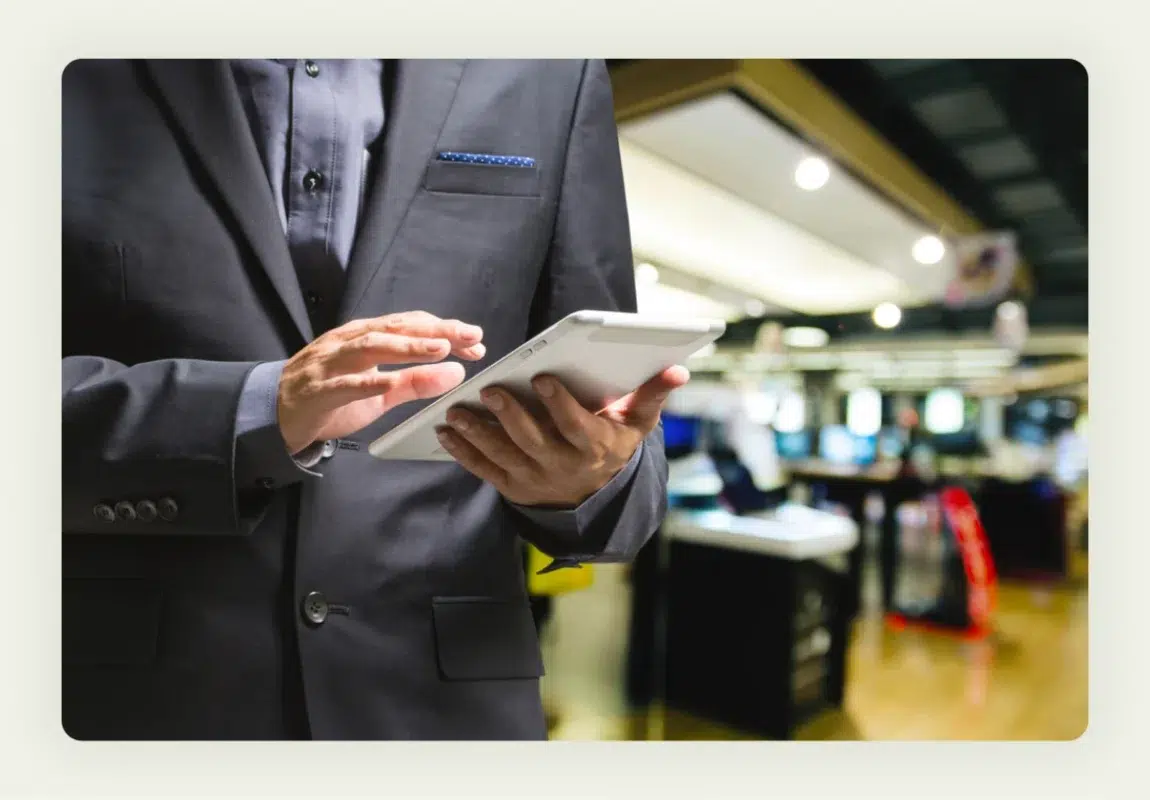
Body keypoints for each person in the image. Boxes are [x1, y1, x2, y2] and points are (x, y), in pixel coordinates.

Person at [62, 59, 686, 741]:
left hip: (448, 720)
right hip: (129, 709)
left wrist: (591, 479)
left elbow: (621, 446)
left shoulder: (550, 68)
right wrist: (252, 410)